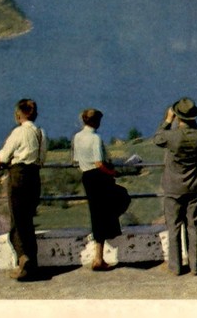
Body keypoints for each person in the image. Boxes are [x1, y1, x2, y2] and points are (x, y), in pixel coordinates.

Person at [0, 98, 47, 281]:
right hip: (34, 178)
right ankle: (32, 262)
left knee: (18, 221)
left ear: (18, 115)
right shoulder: (40, 133)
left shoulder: (18, 132)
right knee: (28, 220)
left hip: (18, 177)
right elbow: (42, 158)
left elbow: (4, 156)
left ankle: (23, 261)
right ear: (35, 114)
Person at [153, 97, 197, 276]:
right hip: (194, 187)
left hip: (173, 188)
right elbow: (195, 131)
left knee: (174, 227)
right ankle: (196, 266)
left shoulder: (171, 136)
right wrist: (189, 120)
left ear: (177, 115)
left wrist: (168, 120)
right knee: (194, 226)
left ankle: (176, 267)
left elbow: (157, 138)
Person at [72, 108, 121, 271]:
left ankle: (98, 256)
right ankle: (99, 258)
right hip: (98, 177)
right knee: (115, 203)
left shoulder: (77, 137)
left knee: (96, 214)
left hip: (86, 177)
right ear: (96, 121)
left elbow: (76, 160)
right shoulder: (95, 138)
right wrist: (113, 172)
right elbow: (99, 163)